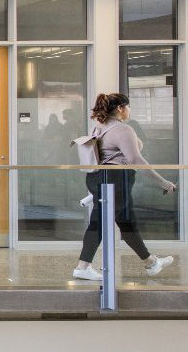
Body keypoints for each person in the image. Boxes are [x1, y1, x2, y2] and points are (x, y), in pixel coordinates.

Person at [73, 93, 176, 281]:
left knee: (127, 223)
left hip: (99, 178)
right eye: (128, 106)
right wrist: (163, 182)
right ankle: (82, 267)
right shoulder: (123, 129)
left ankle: (151, 262)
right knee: (100, 222)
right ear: (120, 108)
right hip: (115, 180)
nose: (130, 110)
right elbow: (136, 160)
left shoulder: (99, 126)